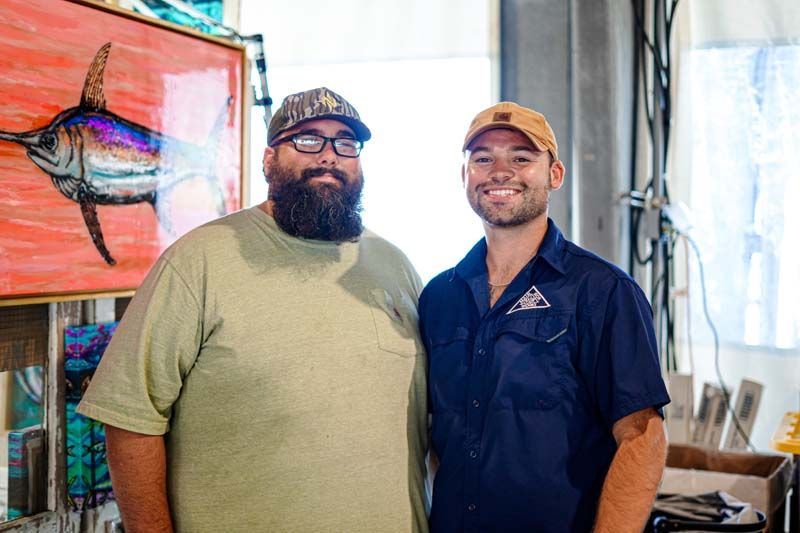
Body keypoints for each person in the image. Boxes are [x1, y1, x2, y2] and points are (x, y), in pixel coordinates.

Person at [78, 87, 428, 533]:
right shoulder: (198, 260)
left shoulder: (393, 265)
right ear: (268, 160)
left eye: (345, 142)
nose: (329, 156)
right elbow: (130, 420)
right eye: (307, 139)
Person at [418, 102, 670, 533]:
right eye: (483, 159)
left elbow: (642, 439)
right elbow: (441, 439)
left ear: (554, 174)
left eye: (521, 158)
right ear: (465, 177)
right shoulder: (439, 296)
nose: (500, 171)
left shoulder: (601, 291)